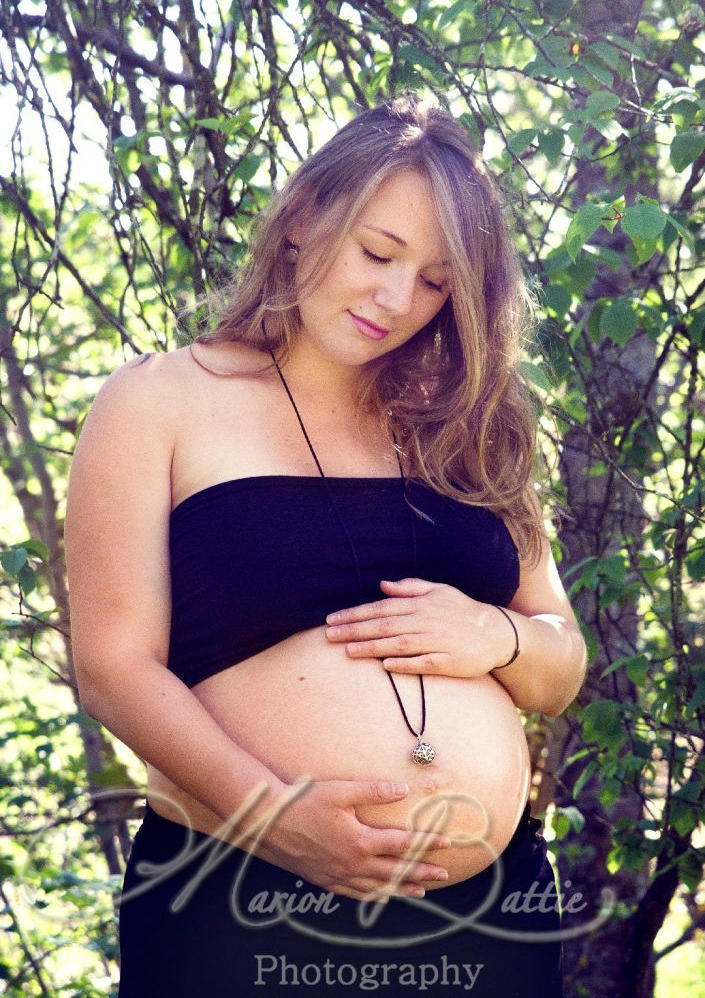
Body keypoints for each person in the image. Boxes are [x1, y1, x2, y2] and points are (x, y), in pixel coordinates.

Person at [64, 93, 587, 997]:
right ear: (306, 215)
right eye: (377, 252)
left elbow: (559, 661)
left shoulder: (470, 427)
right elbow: (114, 664)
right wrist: (276, 817)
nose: (396, 299)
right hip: (238, 891)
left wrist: (495, 637)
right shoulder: (159, 400)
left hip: (487, 916)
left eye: (434, 281)